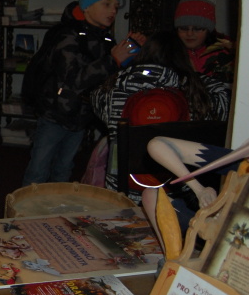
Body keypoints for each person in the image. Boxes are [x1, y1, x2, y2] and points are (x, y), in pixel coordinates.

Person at [21, 0, 143, 186]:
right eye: (106, 4)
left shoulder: (104, 37)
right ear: (87, 7)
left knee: (64, 168)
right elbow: (74, 79)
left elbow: (109, 77)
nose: (113, 11)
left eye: (116, 6)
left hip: (80, 116)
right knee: (39, 169)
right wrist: (113, 59)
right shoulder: (67, 35)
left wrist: (131, 52)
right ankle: (26, 207)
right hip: (55, 114)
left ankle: (56, 205)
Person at [91, 30, 230, 201]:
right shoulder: (193, 92)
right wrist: (193, 75)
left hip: (123, 188)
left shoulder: (115, 89)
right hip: (177, 191)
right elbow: (223, 103)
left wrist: (125, 68)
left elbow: (94, 96)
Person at [174, 0, 235, 84]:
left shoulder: (224, 54)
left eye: (197, 29)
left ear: (209, 31)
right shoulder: (169, 52)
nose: (189, 33)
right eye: (183, 28)